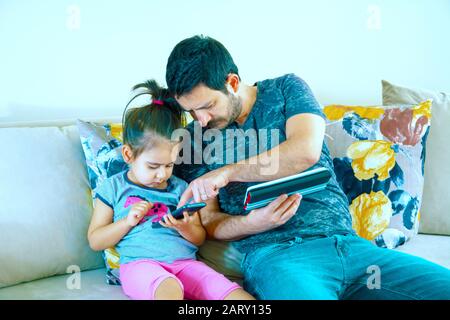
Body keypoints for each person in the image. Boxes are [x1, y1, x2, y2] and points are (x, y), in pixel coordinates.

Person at [166, 35, 450, 300]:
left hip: (352, 248)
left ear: (232, 82)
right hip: (277, 257)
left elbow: (305, 151)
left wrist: (227, 172)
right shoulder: (197, 140)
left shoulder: (286, 89)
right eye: (191, 111)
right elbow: (210, 221)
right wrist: (251, 223)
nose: (201, 119)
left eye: (207, 105)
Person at [87, 80, 254, 300]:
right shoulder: (114, 187)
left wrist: (186, 228)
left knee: (228, 291)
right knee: (168, 286)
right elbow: (96, 240)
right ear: (128, 155)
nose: (162, 175)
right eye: (153, 166)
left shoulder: (181, 188)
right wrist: (127, 222)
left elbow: (198, 238)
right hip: (141, 266)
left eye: (168, 165)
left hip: (185, 264)